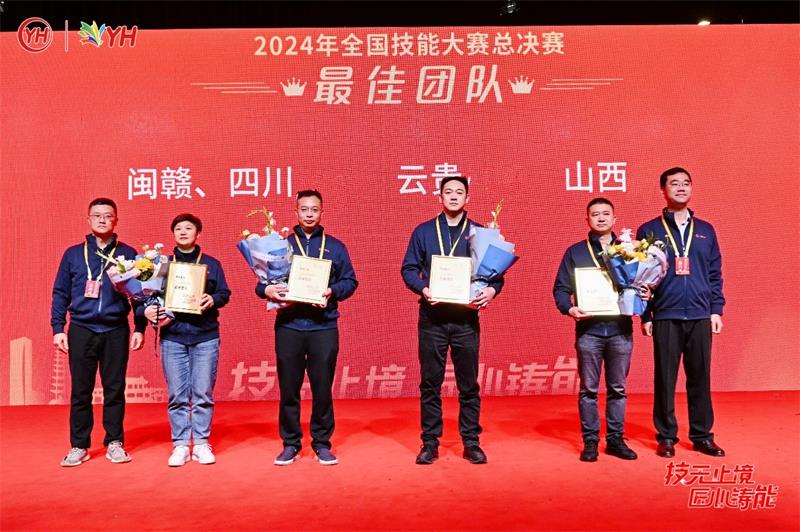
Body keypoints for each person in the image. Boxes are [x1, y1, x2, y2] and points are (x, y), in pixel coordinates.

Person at [401, 176, 503, 465]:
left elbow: (496, 274)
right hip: (432, 318)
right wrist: (423, 289)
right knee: (430, 383)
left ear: (467, 198)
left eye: (459, 192)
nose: (454, 196)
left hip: (465, 319)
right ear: (440, 197)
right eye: (448, 192)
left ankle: (471, 442)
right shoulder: (423, 231)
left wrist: (492, 291)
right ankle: (429, 443)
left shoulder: (480, 233)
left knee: (468, 384)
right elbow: (408, 268)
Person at [257, 190, 358, 466]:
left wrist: (332, 291)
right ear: (296, 212)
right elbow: (261, 284)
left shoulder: (335, 246)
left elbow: (350, 281)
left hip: (323, 326)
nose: (309, 214)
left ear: (322, 212)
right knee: (289, 388)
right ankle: (290, 443)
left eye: (314, 209)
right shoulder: (281, 245)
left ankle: (322, 443)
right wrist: (268, 290)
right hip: (289, 326)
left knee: (322, 388)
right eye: (304, 209)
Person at [637, 167, 726, 458]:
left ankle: (702, 435)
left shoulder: (706, 230)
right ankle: (666, 436)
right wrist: (646, 315)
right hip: (665, 314)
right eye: (674, 184)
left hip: (700, 315)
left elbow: (714, 273)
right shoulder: (649, 230)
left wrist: (716, 310)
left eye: (686, 183)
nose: (681, 188)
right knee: (665, 379)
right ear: (663, 190)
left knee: (700, 377)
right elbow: (641, 277)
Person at [52, 197, 146, 466]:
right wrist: (58, 328)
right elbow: (60, 293)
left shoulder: (128, 254)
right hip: (81, 328)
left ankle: (114, 442)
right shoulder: (73, 254)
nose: (102, 220)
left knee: (114, 389)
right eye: (97, 215)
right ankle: (79, 445)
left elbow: (139, 295)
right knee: (81, 390)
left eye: (108, 215)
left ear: (116, 220)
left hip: (116, 329)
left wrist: (139, 327)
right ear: (89, 219)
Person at [553, 198, 639, 462]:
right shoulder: (575, 252)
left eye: (606, 214)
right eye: (595, 214)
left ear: (614, 219)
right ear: (587, 220)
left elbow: (640, 284)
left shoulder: (630, 251)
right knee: (588, 390)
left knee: (618, 389)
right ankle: (590, 441)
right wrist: (569, 309)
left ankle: (615, 440)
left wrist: (643, 296)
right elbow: (560, 289)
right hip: (589, 331)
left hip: (620, 329)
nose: (601, 218)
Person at [143, 213, 230, 466]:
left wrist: (213, 299)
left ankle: (201, 443)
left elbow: (224, 293)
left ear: (197, 233)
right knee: (177, 394)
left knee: (203, 392)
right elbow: (146, 298)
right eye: (178, 228)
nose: (183, 232)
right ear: (173, 234)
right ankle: (180, 444)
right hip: (173, 337)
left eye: (188, 228)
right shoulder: (162, 265)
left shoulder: (211, 264)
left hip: (205, 336)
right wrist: (148, 311)